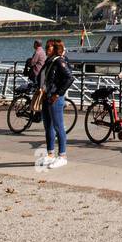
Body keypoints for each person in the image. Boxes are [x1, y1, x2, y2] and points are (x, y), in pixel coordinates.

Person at [38, 39, 74, 169]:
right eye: (46, 46)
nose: (47, 48)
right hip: (46, 97)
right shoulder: (49, 61)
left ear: (55, 49)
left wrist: (58, 93)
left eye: (50, 47)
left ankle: (62, 156)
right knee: (48, 126)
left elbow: (70, 78)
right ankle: (50, 154)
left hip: (55, 98)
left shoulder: (59, 61)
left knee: (58, 127)